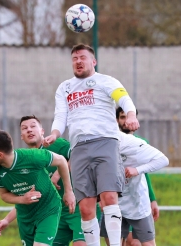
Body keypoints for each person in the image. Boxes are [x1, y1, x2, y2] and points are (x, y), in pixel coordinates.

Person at [44, 43, 140, 246]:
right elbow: (61, 116)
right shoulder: (65, 87)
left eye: (82, 57)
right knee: (86, 207)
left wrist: (131, 115)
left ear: (93, 61)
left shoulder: (106, 81)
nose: (78, 61)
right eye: (74, 58)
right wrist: (54, 133)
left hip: (105, 142)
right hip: (78, 148)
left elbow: (124, 99)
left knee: (109, 198)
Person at [0, 115, 87, 246]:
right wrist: (7, 220)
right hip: (54, 213)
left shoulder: (57, 144)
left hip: (78, 206)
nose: (29, 130)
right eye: (24, 128)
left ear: (42, 131)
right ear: (21, 136)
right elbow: (29, 196)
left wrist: (58, 174)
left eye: (33, 126)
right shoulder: (27, 161)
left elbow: (80, 154)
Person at [0, 130, 76, 246]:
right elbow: (3, 195)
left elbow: (61, 160)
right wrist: (22, 200)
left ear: (0, 155)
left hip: (48, 209)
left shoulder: (32, 157)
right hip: (25, 216)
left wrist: (69, 192)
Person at [115, 107, 160, 246]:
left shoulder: (141, 142)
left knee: (136, 242)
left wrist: (152, 199)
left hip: (137, 201)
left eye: (127, 117)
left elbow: (143, 173)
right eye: (122, 117)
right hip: (117, 201)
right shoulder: (111, 143)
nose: (125, 122)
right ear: (116, 120)